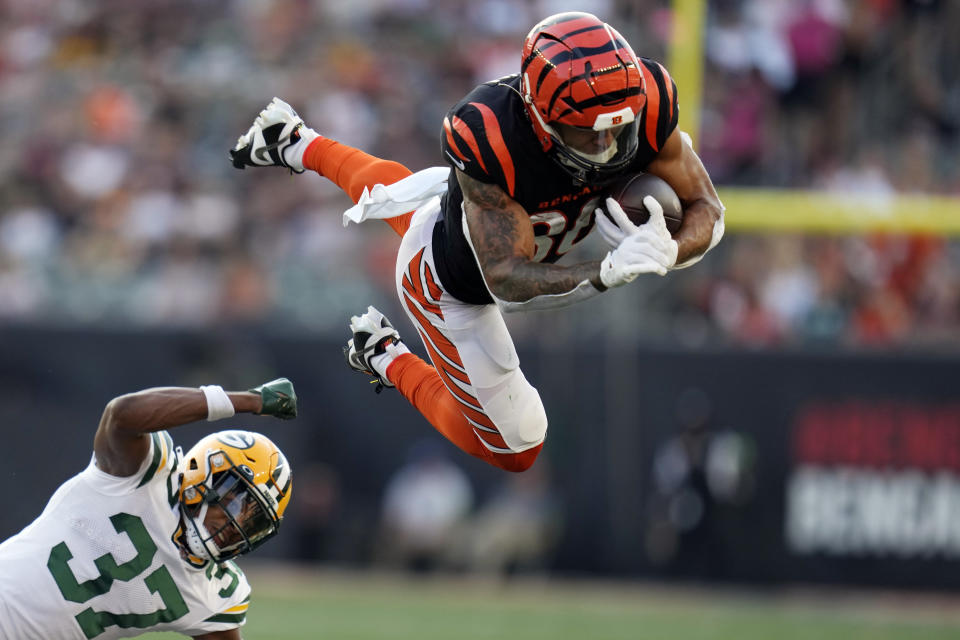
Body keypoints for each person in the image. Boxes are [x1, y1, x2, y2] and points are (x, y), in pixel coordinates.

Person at [230, 12, 724, 473]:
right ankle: (382, 353)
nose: (607, 146)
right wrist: (605, 272)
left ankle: (294, 140)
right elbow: (506, 279)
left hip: (475, 229)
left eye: (620, 127)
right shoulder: (491, 136)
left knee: (411, 200)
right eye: (585, 133)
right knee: (518, 448)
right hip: (453, 285)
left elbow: (708, 209)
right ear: (539, 118)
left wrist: (669, 251)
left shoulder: (647, 101)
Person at [0, 378, 297, 639]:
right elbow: (121, 415)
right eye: (236, 502)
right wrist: (248, 401)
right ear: (206, 472)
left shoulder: (214, 592)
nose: (237, 525)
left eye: (254, 520)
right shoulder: (142, 474)